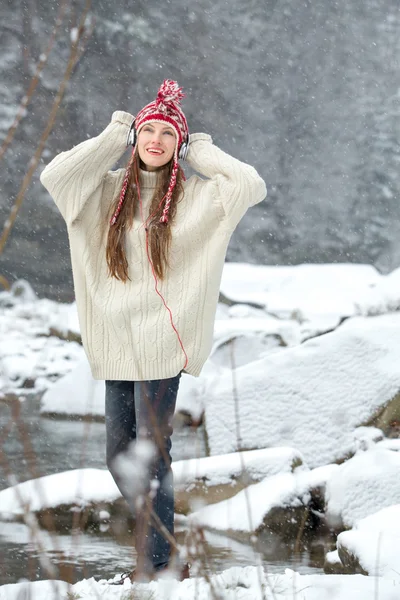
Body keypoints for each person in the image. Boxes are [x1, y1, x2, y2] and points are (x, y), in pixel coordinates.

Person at [40, 79, 267, 583]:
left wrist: (202, 150)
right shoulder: (100, 193)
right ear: (137, 137)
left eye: (168, 133)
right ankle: (166, 558)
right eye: (149, 130)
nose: (157, 140)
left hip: (165, 343)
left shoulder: (200, 199)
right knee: (120, 457)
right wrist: (114, 132)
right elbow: (56, 175)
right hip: (117, 341)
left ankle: (158, 567)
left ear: (178, 145)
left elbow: (250, 184)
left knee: (152, 453)